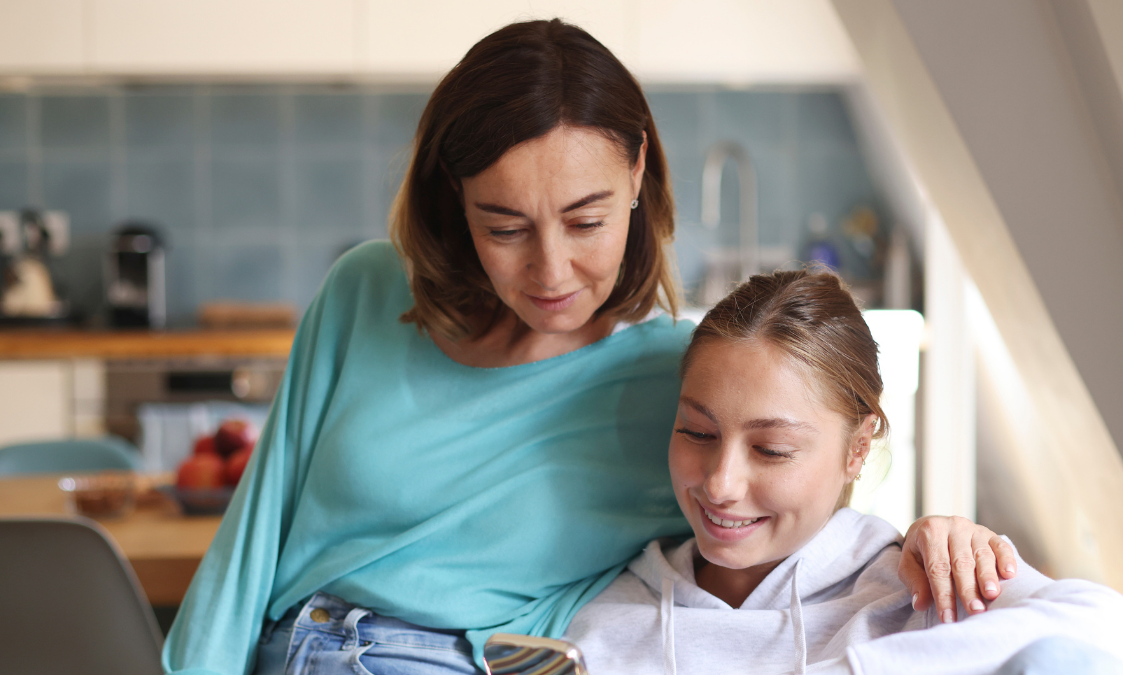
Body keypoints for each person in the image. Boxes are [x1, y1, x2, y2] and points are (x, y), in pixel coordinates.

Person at [162, 19, 1014, 675]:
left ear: (639, 172)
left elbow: (793, 512)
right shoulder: (367, 291)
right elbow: (251, 539)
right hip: (288, 644)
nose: (551, 270)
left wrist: (931, 536)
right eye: (504, 226)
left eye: (586, 220)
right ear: (454, 199)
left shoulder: (681, 383)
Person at [564, 269, 1123, 675]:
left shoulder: (919, 587)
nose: (720, 484)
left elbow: (1108, 634)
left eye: (771, 449)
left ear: (857, 449)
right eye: (697, 432)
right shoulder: (603, 615)